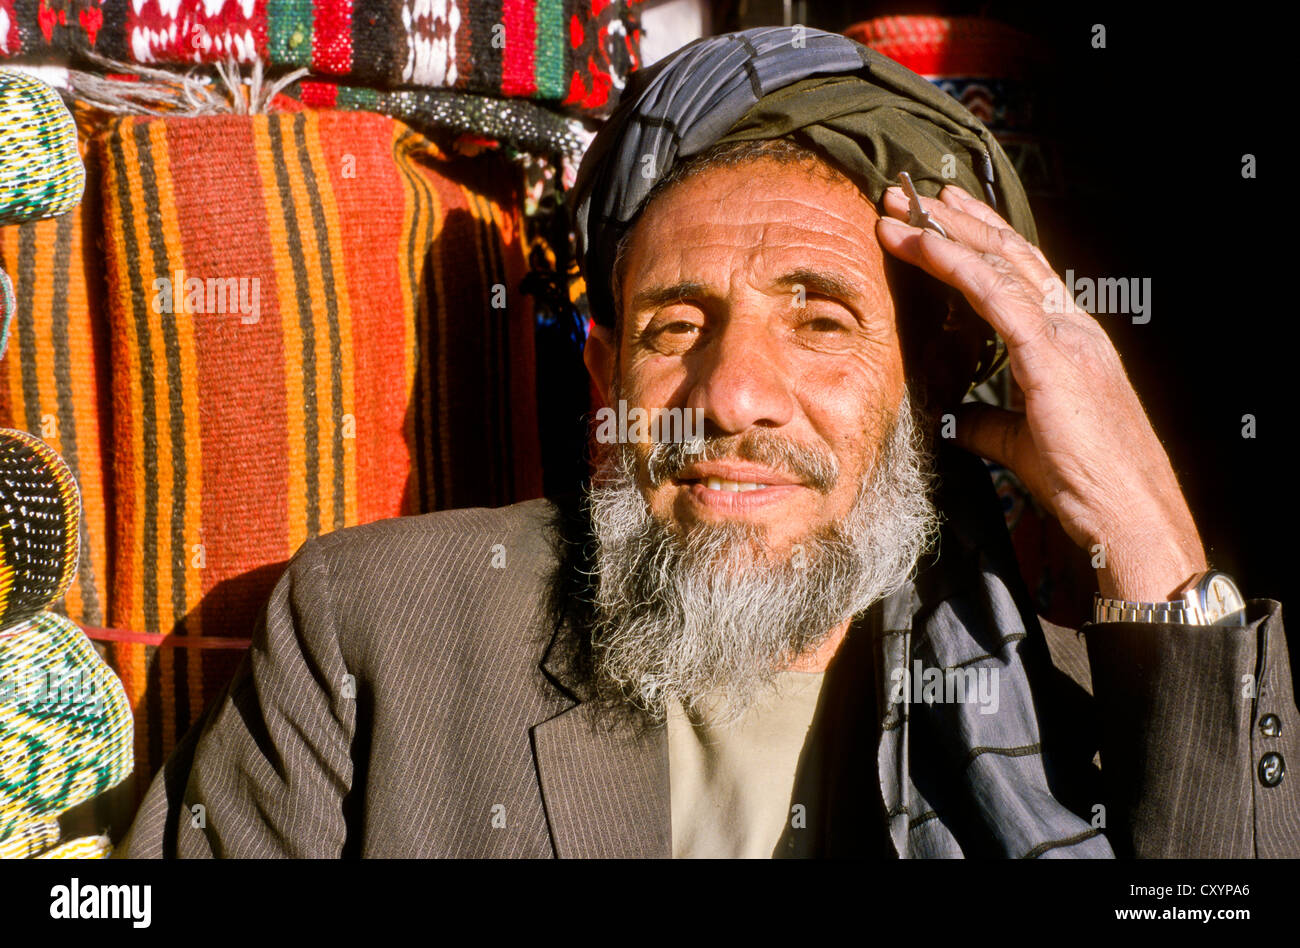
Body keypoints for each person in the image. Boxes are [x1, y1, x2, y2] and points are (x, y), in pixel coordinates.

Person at [119, 27, 1297, 859]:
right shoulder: (380, 631)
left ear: (926, 378)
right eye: (672, 327)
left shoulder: (1095, 719)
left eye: (819, 320)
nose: (730, 396)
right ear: (602, 379)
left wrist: (1146, 529)